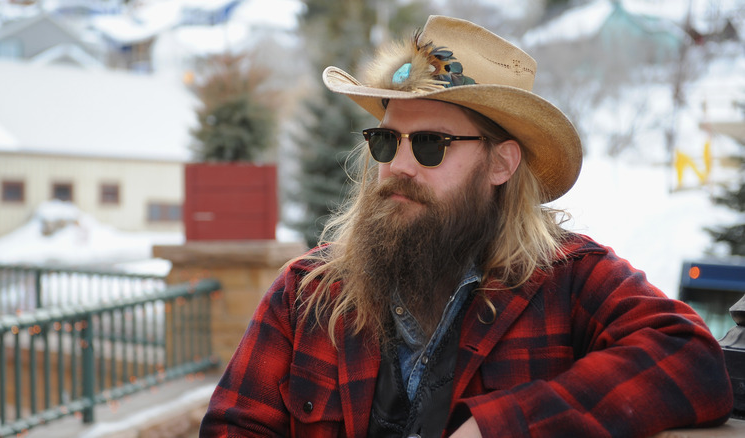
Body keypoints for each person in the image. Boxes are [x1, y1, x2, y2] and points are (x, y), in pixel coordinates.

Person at [199, 15, 733, 438]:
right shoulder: (307, 294)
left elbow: (694, 359)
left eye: (431, 145)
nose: (398, 166)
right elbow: (233, 427)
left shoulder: (569, 280)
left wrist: (497, 426)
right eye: (387, 141)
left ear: (501, 164)